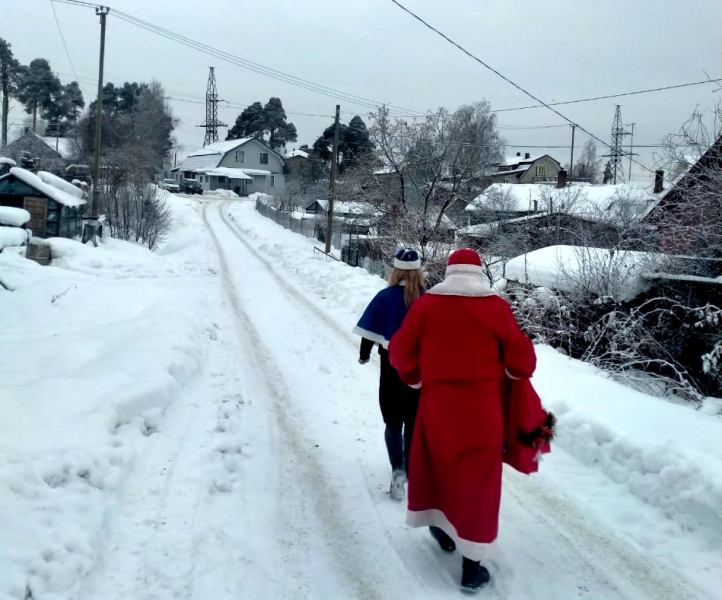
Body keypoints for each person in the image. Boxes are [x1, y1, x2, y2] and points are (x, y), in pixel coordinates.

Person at [388, 248, 536, 593]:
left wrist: (416, 378)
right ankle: (472, 567)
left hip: (437, 406)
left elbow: (399, 351)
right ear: (478, 272)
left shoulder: (427, 304)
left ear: (450, 271)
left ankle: (440, 527)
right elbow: (522, 363)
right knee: (478, 482)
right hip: (482, 410)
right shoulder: (495, 306)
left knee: (438, 468)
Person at [353, 248, 426, 501]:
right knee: (414, 424)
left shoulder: (384, 297)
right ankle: (412, 469)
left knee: (393, 422)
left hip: (392, 370)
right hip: (421, 373)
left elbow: (370, 331)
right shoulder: (428, 300)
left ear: (395, 270)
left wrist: (364, 355)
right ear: (419, 271)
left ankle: (398, 469)